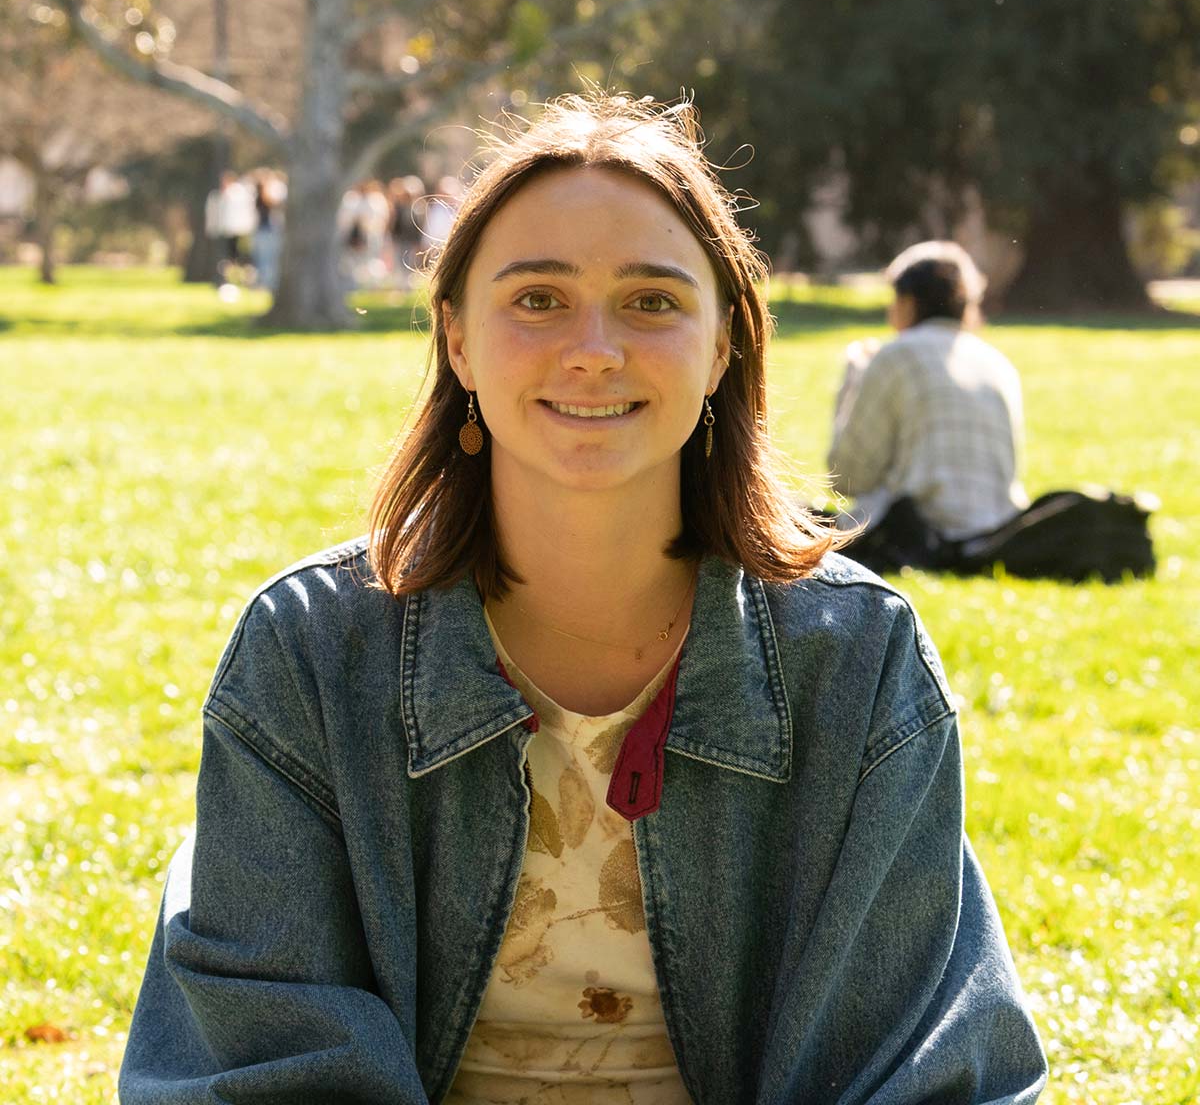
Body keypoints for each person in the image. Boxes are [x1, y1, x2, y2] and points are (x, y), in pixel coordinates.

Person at [119, 96, 1046, 1103]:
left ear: (723, 342)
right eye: (538, 299)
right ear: (458, 340)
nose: (595, 349)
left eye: (652, 301)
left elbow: (919, 1061)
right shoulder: (308, 649)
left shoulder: (858, 656)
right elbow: (265, 1051)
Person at [828, 240, 1030, 543]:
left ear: (908, 302)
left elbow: (846, 476)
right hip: (994, 529)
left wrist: (856, 378)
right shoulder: (999, 363)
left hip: (918, 532)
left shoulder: (894, 357)